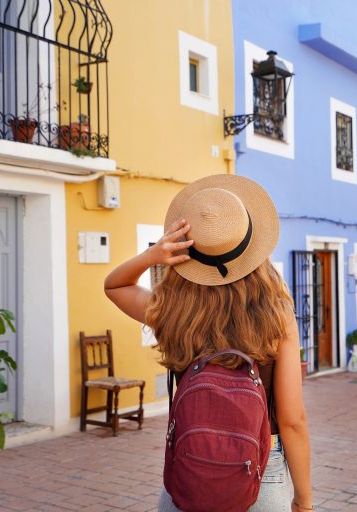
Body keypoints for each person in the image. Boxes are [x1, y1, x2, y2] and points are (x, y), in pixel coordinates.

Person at [104, 174, 313, 511]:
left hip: (192, 469)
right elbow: (292, 421)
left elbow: (114, 286)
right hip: (261, 469)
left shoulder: (171, 310)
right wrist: (304, 501)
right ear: (255, 250)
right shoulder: (278, 317)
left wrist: (153, 256)